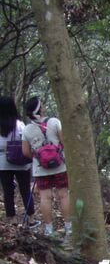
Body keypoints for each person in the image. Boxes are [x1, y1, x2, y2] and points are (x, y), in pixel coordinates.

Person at [22, 96, 71, 237]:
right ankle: (69, 227)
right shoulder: (55, 122)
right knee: (63, 195)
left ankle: (49, 229)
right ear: (39, 109)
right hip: (60, 166)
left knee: (45, 198)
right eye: (41, 105)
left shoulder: (27, 129)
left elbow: (25, 152)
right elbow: (64, 141)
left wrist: (39, 157)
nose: (44, 107)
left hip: (40, 168)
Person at [0, 96, 39, 228]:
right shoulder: (20, 125)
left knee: (8, 191)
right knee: (25, 190)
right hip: (21, 162)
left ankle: (11, 219)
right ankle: (31, 218)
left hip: (2, 163)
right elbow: (26, 142)